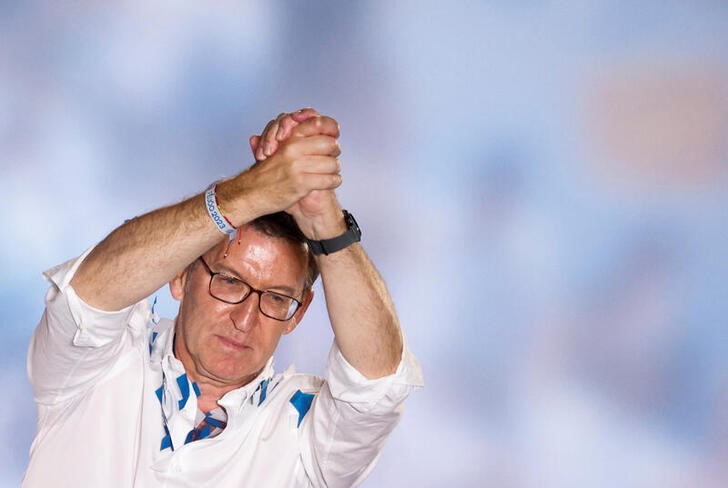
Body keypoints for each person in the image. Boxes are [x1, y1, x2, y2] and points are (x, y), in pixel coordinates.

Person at [23, 108, 423, 487]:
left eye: (276, 298)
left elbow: (377, 386)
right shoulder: (97, 365)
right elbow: (89, 294)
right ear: (180, 276)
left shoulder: (305, 435)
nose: (246, 319)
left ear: (297, 314)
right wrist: (251, 191)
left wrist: (323, 216)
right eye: (230, 282)